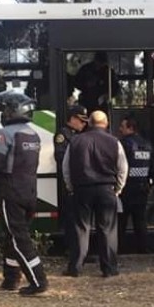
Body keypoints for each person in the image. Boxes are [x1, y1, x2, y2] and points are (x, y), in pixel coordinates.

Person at [0, 92, 48, 296]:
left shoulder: (4, 134)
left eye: (4, 108)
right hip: (30, 191)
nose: (2, 113)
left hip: (10, 191)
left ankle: (38, 280)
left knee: (18, 238)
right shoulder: (32, 134)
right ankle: (11, 278)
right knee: (13, 236)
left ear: (12, 110)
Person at [62, 110, 128, 277]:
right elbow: (123, 168)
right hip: (107, 189)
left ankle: (75, 268)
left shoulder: (75, 141)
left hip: (82, 189)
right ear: (105, 124)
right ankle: (109, 268)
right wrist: (118, 189)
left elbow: (66, 167)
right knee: (107, 229)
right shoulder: (115, 142)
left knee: (81, 229)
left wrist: (71, 187)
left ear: (89, 123)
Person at [54, 105, 89, 255]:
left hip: (79, 183)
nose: (84, 124)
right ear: (73, 119)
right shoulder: (63, 135)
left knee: (80, 218)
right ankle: (73, 250)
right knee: (72, 219)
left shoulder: (77, 135)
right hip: (70, 183)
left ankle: (80, 251)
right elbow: (61, 158)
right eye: (81, 121)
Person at [118, 114, 154, 254]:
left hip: (126, 188)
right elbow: (152, 166)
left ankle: (119, 248)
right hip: (142, 187)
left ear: (130, 128)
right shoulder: (147, 144)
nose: (120, 129)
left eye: (122, 127)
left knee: (121, 221)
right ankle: (143, 248)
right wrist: (151, 183)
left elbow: (119, 165)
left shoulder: (123, 144)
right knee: (140, 220)